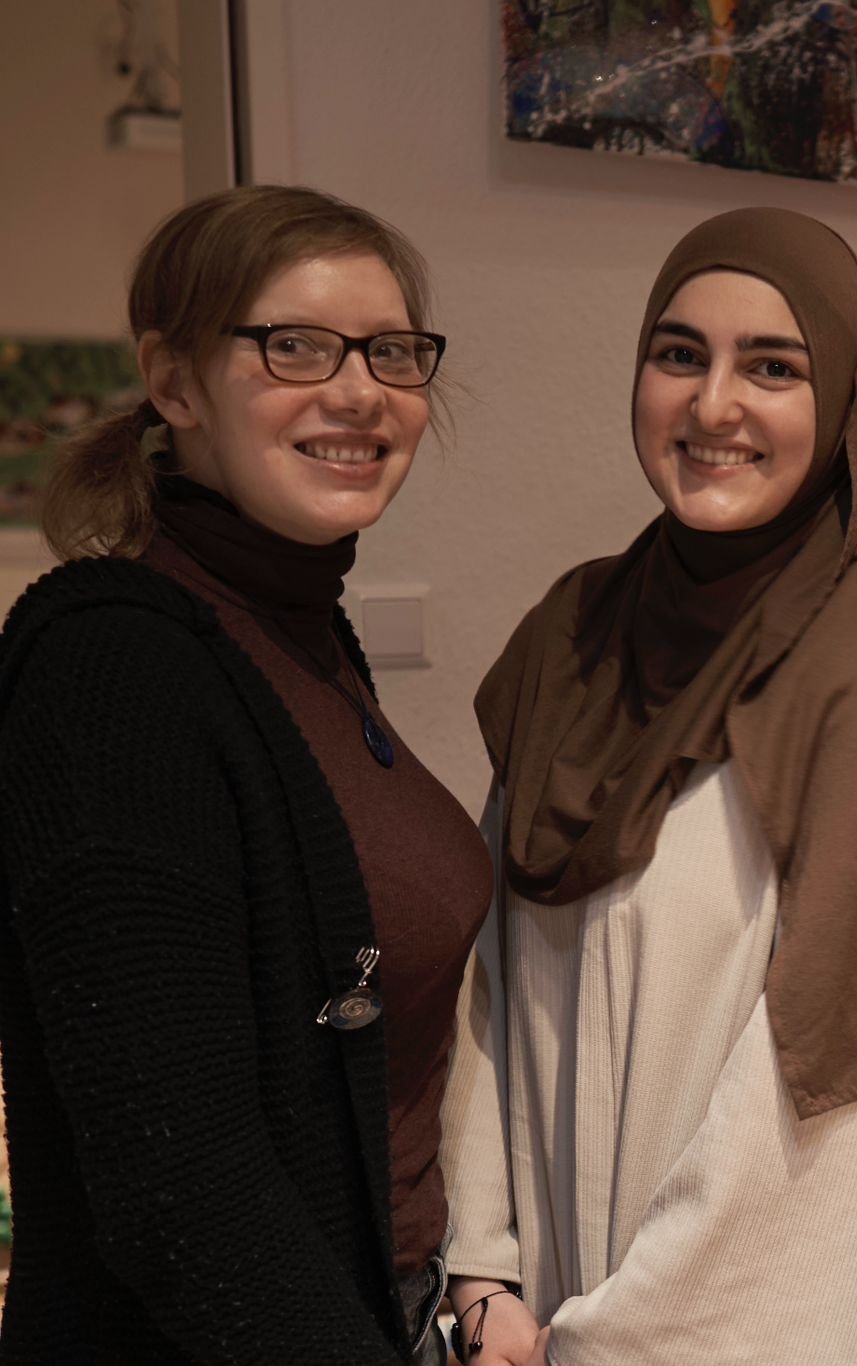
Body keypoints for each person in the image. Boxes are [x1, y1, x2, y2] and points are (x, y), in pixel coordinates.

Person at [439, 207, 857, 1366]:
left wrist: (602, 1344)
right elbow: (487, 980)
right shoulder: (574, 636)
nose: (713, 406)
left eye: (772, 367)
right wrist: (482, 1273)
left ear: (844, 398)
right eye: (679, 354)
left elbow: (849, 1120)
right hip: (525, 1323)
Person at [0, 185, 488, 1364]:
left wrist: (476, 1284)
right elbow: (180, 1186)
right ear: (173, 384)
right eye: (295, 346)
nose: (358, 390)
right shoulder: (114, 671)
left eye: (390, 351)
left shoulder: (300, 638)